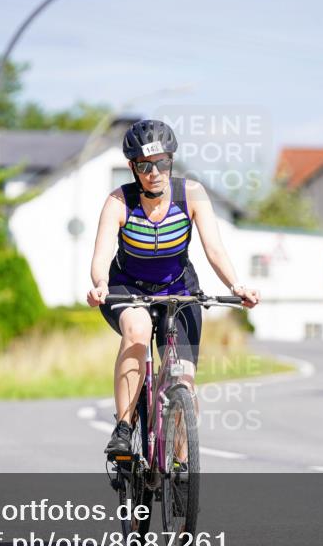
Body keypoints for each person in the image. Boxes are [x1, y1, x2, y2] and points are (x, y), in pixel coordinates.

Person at [86, 119, 260, 456]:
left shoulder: (191, 194)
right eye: (145, 165)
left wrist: (237, 285)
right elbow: (101, 254)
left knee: (183, 378)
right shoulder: (119, 202)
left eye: (162, 162)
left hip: (179, 289)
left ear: (171, 160)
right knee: (137, 330)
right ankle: (123, 428)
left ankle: (181, 464)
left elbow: (214, 249)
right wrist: (100, 285)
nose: (154, 172)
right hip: (127, 287)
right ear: (132, 167)